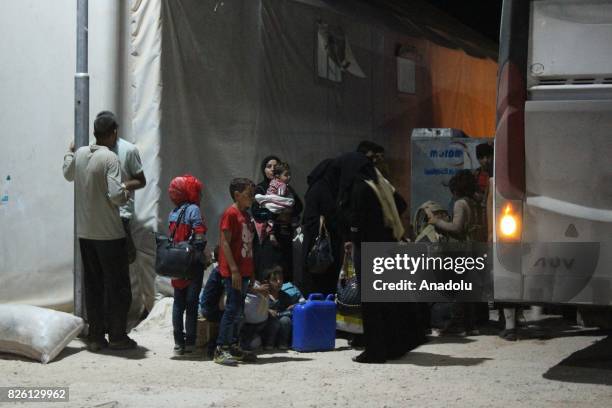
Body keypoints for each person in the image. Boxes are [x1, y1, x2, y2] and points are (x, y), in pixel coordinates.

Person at [338, 152, 423, 363]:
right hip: (386, 245)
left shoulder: (360, 187)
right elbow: (399, 204)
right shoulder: (379, 185)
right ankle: (393, 345)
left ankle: (375, 350)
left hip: (368, 248)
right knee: (387, 301)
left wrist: (353, 235)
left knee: (372, 304)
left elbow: (357, 221)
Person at [62, 111, 136, 351]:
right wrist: (125, 189)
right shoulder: (110, 158)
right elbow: (116, 195)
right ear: (114, 132)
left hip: (85, 233)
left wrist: (69, 150)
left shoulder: (82, 153)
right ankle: (117, 336)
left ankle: (95, 336)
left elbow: (67, 173)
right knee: (118, 287)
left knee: (93, 285)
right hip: (110, 235)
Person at [426, 169, 481, 335]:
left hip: (459, 250)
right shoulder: (474, 202)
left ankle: (456, 325)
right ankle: (470, 325)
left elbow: (456, 228)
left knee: (455, 287)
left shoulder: (460, 204)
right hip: (473, 248)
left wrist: (437, 222)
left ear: (456, 189)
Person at [214, 178, 258, 365]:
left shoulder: (247, 215)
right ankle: (220, 348)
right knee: (232, 308)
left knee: (239, 310)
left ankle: (233, 345)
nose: (252, 198)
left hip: (245, 270)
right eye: (249, 195)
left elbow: (249, 245)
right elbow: (224, 243)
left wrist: (251, 270)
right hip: (234, 272)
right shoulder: (230, 214)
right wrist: (233, 270)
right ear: (237, 195)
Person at [167, 174, 207, 356]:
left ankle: (178, 343)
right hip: (191, 263)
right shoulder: (193, 210)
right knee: (191, 303)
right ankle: (190, 342)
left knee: (178, 303)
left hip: (176, 263)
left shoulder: (173, 212)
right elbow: (199, 234)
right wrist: (201, 253)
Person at [253, 155, 303, 282]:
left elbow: (298, 206)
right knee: (269, 270)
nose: (272, 169)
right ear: (264, 170)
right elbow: (256, 212)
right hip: (267, 236)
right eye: (269, 166)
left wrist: (287, 212)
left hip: (285, 234)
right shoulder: (261, 188)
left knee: (285, 269)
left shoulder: (287, 188)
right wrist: (274, 214)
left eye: (275, 166)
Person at [302, 158, 342, 296]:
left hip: (321, 243)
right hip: (320, 245)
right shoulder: (321, 189)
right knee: (319, 283)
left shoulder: (324, 188)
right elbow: (319, 216)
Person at [266, 266, 305, 350]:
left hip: (281, 324)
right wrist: (268, 310)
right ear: (268, 281)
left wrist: (293, 307)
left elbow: (289, 308)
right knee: (273, 322)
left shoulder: (284, 296)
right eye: (275, 280)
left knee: (285, 320)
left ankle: (282, 343)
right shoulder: (264, 295)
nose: (279, 282)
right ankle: (269, 343)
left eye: (281, 279)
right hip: (267, 326)